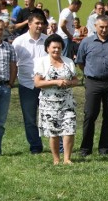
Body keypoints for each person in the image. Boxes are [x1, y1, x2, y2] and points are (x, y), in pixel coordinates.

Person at [75, 15, 108, 156]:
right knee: (90, 115)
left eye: (106, 27)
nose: (104, 30)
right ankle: (86, 149)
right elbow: (81, 62)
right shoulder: (86, 42)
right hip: (93, 82)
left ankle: (104, 149)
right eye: (101, 27)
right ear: (95, 26)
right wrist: (91, 72)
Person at [33, 34, 78, 165]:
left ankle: (67, 158)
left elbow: (75, 80)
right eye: (53, 47)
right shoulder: (41, 62)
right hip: (48, 103)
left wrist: (68, 83)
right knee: (53, 132)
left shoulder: (68, 61)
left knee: (69, 129)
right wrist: (56, 82)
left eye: (59, 47)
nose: (56, 50)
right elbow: (37, 83)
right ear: (47, 48)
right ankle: (56, 159)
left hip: (67, 102)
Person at [12, 13, 48, 154]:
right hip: (27, 85)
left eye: (42, 23)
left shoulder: (47, 41)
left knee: (49, 117)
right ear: (29, 24)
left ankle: (57, 145)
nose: (40, 26)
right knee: (30, 119)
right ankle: (35, 146)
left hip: (45, 85)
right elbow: (13, 63)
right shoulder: (19, 42)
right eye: (37, 23)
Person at [0, 18, 17, 156]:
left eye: (1, 29)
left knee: (0, 123)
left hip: (4, 88)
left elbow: (13, 67)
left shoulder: (9, 47)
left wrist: (10, 83)